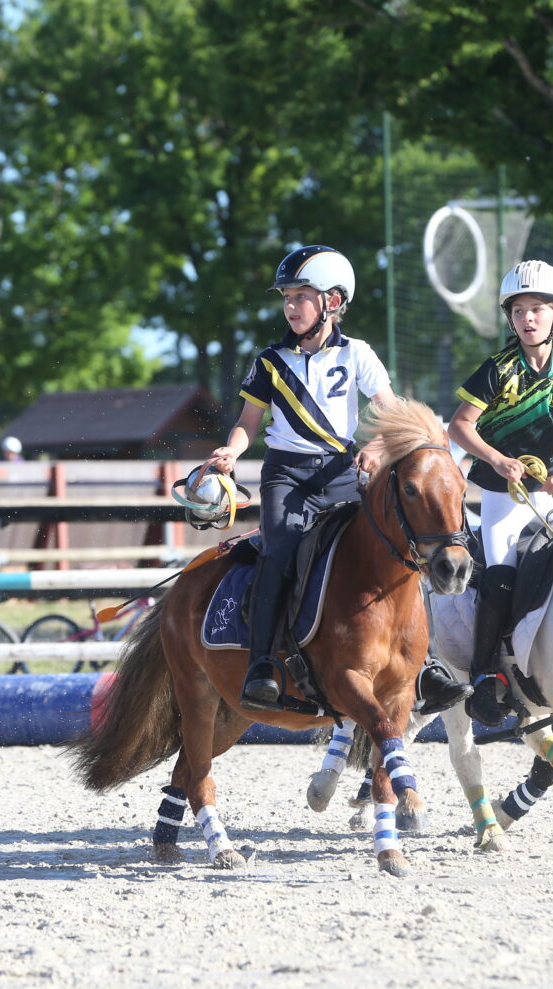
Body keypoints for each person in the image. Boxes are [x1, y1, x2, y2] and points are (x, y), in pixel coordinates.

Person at [201, 245, 470, 714]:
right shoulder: (269, 361)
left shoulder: (358, 353)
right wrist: (233, 450)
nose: (290, 306)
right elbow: (247, 422)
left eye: (301, 296)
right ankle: (262, 664)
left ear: (333, 301)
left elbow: (392, 415)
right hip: (286, 476)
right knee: (278, 551)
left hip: (341, 473)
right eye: (287, 297)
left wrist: (378, 447)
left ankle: (423, 665)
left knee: (398, 550)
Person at [448, 261, 553, 726]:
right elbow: (460, 426)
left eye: (537, 309)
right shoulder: (497, 368)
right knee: (500, 575)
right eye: (518, 310)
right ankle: (483, 678)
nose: (527, 318)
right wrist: (497, 460)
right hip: (505, 497)